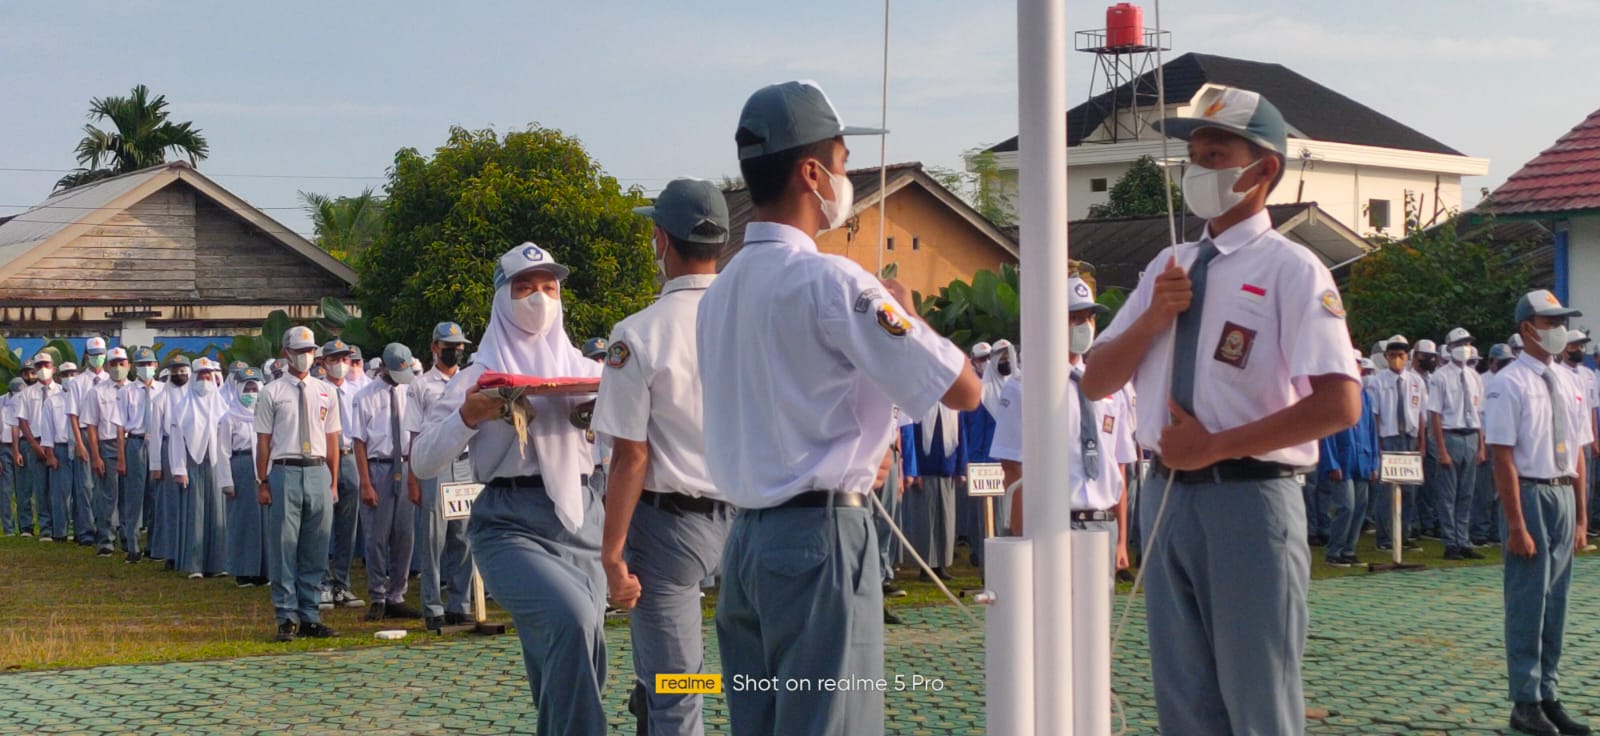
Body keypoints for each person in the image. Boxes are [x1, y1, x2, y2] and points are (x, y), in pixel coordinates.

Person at [699, 80, 981, 735]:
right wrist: (909, 317)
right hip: (819, 539)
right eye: (843, 163)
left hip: (744, 545)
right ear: (810, 172)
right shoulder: (832, 280)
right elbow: (962, 389)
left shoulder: (721, 292)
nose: (845, 179)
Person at [1080, 85, 1361, 735]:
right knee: (1183, 697)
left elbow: (1339, 403)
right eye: (1194, 157)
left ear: (1262, 170)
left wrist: (1216, 445)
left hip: (1249, 498)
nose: (1199, 171)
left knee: (1256, 696)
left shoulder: (1294, 269)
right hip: (1166, 498)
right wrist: (1152, 317)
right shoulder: (1166, 266)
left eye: (1215, 155)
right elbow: (1094, 378)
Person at [411, 242, 606, 735]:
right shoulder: (476, 377)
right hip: (510, 520)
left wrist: (598, 415)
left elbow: (631, 436)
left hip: (582, 514)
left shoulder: (587, 371)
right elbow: (424, 460)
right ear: (501, 299)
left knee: (576, 654)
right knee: (572, 619)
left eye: (547, 287)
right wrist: (469, 416)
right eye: (524, 288)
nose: (538, 298)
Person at [593, 177, 733, 736]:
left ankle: (656, 693)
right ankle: (653, 692)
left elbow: (630, 456)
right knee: (760, 679)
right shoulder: (751, 320)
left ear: (660, 241)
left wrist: (610, 553)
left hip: (670, 529)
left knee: (679, 692)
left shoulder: (638, 334)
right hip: (749, 518)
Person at [1485, 290, 1592, 736]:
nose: (1558, 331)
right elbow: (1503, 456)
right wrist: (1515, 524)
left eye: (1560, 322)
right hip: (1529, 495)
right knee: (1529, 603)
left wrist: (1583, 516)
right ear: (1527, 328)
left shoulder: (1568, 379)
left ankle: (1549, 693)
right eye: (1550, 323)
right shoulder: (1508, 382)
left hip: (1563, 492)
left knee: (1558, 604)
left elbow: (1580, 452)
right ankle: (1524, 701)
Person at [991, 276, 1132, 579]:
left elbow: (1117, 464)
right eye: (1075, 318)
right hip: (1050, 525)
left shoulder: (1109, 382)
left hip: (1100, 522)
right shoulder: (1025, 386)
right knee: (1050, 621)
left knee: (1095, 623)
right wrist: (1022, 534)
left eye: (1090, 317)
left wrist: (1121, 538)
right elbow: (1012, 467)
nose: (1085, 326)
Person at [255, 326, 344, 642]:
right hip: (285, 469)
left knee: (316, 547)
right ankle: (285, 616)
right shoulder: (272, 392)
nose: (306, 356)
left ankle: (310, 615)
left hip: (318, 469)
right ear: (285, 354)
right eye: (299, 351)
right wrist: (262, 480)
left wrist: (333, 480)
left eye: (309, 351)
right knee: (284, 546)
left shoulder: (326, 391)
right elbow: (263, 440)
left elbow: (332, 438)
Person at [406, 321, 477, 631]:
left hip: (464, 463)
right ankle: (433, 606)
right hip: (435, 467)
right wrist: (413, 477)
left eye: (459, 347)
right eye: (448, 347)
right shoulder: (420, 386)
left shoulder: (469, 381)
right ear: (435, 347)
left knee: (463, 536)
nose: (454, 352)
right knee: (433, 540)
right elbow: (413, 435)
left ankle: (460, 604)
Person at [352, 343, 422, 621]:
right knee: (376, 536)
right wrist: (365, 483)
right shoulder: (365, 396)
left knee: (404, 535)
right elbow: (359, 442)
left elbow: (416, 434)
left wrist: (415, 475)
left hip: (405, 465)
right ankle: (378, 594)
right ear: (384, 368)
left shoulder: (410, 391)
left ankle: (397, 594)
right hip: (378, 466)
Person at [1317, 349, 1381, 566]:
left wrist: (1373, 462)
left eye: (1358, 365)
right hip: (1342, 460)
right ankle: (1333, 551)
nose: (1356, 368)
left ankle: (1349, 550)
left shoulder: (1364, 396)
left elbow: (1372, 430)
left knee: (1361, 506)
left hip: (1362, 459)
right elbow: (1325, 433)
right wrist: (1331, 463)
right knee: (1347, 506)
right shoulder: (1333, 394)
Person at [168, 360, 230, 579]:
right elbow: (176, 440)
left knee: (217, 512)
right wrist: (179, 468)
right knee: (195, 513)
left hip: (215, 463)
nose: (204, 381)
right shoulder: (182, 407)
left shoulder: (222, 406)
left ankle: (218, 563)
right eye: (200, 376)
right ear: (193, 378)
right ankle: (194, 564)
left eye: (207, 377)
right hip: (192, 463)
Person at [1430, 327, 1487, 560]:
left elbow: (1479, 412)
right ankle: (1450, 541)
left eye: (1468, 342)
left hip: (1471, 435)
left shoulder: (1474, 376)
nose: (1465, 347)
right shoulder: (1441, 376)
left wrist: (1482, 445)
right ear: (1450, 347)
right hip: (1450, 435)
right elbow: (1435, 414)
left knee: (1467, 493)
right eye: (1460, 343)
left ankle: (1463, 540)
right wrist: (1441, 449)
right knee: (1448, 494)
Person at [318, 340, 366, 611]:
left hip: (349, 457)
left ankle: (342, 583)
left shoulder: (357, 391)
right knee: (323, 524)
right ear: (323, 363)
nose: (341, 364)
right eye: (335, 358)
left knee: (347, 526)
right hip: (323, 459)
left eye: (345, 358)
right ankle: (322, 582)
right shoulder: (318, 391)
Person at [1374, 336, 1427, 552]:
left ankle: (1404, 535)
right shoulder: (1378, 381)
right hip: (1388, 437)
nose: (1397, 359)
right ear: (1386, 357)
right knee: (1387, 491)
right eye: (1393, 355)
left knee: (1409, 491)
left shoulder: (1416, 381)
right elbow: (1375, 415)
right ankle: (1385, 538)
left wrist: (1422, 443)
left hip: (1410, 438)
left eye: (1401, 356)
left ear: (1407, 357)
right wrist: (1377, 444)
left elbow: (1422, 414)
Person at [82, 347, 130, 557]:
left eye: (122, 363)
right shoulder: (97, 391)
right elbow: (91, 426)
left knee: (132, 496)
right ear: (107, 366)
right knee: (108, 495)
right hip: (107, 445)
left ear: (129, 365)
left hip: (132, 444)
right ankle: (106, 540)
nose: (118, 367)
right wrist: (95, 455)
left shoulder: (136, 389)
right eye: (114, 364)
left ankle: (130, 539)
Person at [225, 368, 269, 587]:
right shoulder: (229, 416)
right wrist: (226, 481)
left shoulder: (265, 414)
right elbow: (223, 452)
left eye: (254, 388)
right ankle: (243, 571)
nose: (251, 392)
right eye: (247, 388)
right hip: (240, 467)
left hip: (262, 468)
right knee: (242, 521)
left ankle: (263, 570)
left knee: (263, 522)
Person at [66, 337, 110, 548]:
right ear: (86, 356)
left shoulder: (111, 380)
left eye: (101, 354)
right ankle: (86, 530)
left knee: (106, 485)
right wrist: (79, 444)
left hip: (106, 436)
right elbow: (73, 415)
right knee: (85, 485)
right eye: (93, 355)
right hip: (84, 434)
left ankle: (107, 528)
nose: (97, 358)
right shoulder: (77, 382)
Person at [147, 356, 191, 565]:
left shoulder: (195, 395)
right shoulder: (160, 399)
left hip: (191, 450)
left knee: (190, 503)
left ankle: (189, 550)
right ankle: (170, 552)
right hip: (167, 449)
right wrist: (155, 464)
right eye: (176, 370)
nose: (180, 374)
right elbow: (155, 433)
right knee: (170, 504)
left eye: (183, 370)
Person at [18, 353, 67, 542]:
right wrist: (34, 445)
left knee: (59, 488)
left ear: (54, 368)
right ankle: (45, 528)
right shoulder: (27, 393)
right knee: (41, 488)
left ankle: (60, 526)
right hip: (36, 443)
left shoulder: (62, 391)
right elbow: (22, 422)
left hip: (57, 444)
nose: (42, 369)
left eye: (46, 365)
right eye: (38, 366)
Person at [1414, 338, 1442, 541]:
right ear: (1416, 356)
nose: (1431, 360)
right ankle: (1416, 523)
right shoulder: (1410, 377)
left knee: (1432, 481)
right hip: (1415, 432)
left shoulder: (1433, 378)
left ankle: (1429, 521)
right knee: (1414, 482)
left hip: (1433, 432)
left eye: (1433, 357)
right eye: (1427, 356)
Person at [0, 378, 20, 537]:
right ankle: (8, 529)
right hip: (4, 448)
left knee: (24, 490)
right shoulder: (1, 403)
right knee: (6, 491)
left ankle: (26, 527)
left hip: (24, 447)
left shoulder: (25, 400)